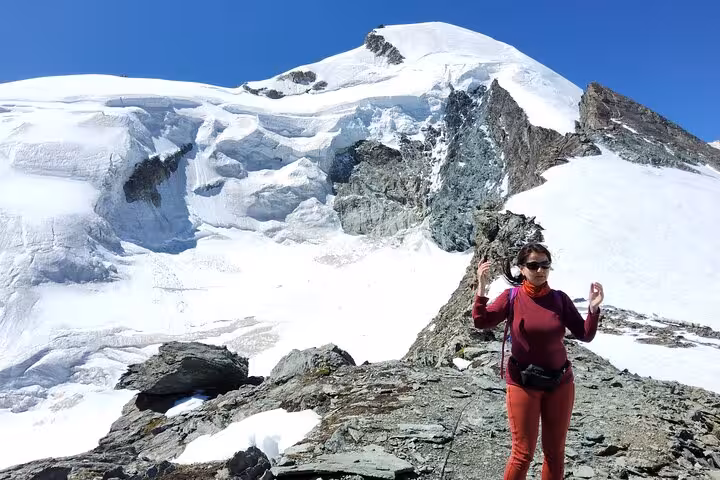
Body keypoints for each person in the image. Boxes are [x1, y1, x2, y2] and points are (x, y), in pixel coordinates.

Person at [473, 243, 604, 480]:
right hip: (523, 383)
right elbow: (481, 321)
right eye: (534, 265)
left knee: (555, 453)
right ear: (522, 269)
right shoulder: (511, 297)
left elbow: (585, 334)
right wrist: (481, 289)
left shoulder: (560, 299)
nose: (540, 270)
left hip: (560, 383)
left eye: (545, 265)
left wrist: (593, 310)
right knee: (523, 453)